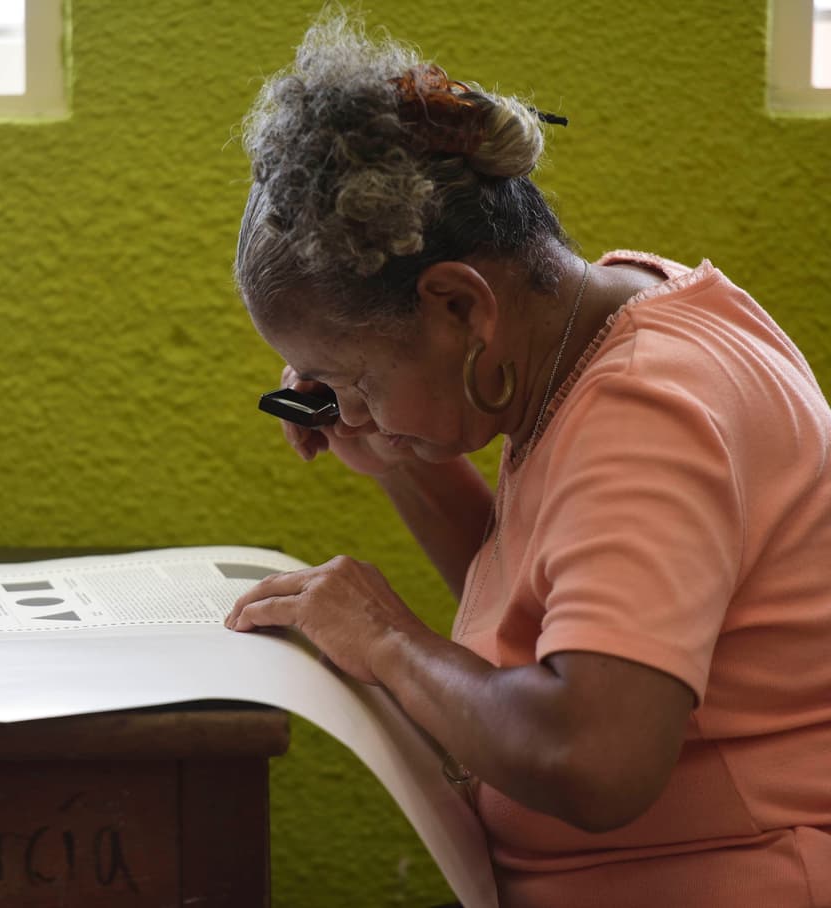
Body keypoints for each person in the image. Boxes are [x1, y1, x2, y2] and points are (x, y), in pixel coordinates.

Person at [223, 9, 831, 907]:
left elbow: (593, 757)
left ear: (462, 308)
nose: (339, 405)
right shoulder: (610, 327)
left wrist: (388, 640)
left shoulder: (649, 409)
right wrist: (394, 452)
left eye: (348, 377)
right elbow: (539, 600)